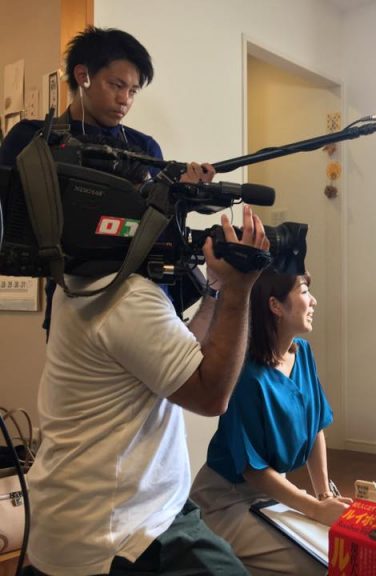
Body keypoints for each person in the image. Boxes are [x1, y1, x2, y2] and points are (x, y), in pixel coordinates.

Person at [1, 27, 259, 575]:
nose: (125, 99)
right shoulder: (34, 141)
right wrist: (237, 290)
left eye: (134, 90)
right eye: (117, 85)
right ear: (83, 76)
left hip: (143, 294)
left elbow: (159, 223)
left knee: (140, 396)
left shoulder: (144, 149)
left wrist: (185, 192)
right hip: (91, 292)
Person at [191, 269, 351, 575]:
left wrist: (324, 496)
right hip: (226, 499)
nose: (314, 301)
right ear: (275, 305)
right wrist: (314, 509)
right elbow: (253, 470)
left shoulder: (302, 353)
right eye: (304, 291)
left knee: (338, 548)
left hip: (272, 493)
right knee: (313, 566)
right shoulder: (244, 374)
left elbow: (315, 427)